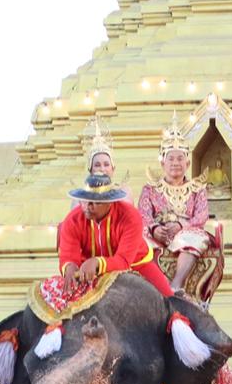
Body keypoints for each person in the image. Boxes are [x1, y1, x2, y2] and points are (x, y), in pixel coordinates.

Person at [56, 150, 174, 299]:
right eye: (86, 200)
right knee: (56, 306)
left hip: (135, 265)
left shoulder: (130, 216)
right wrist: (69, 267)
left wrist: (97, 262)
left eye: (95, 202)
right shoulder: (73, 219)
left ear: (109, 203)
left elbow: (124, 261)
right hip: (87, 271)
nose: (88, 206)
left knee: (170, 303)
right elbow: (68, 254)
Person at [138, 126, 215, 295]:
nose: (175, 163)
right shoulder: (150, 189)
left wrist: (181, 225)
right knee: (139, 243)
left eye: (180, 158)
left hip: (186, 234)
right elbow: (142, 215)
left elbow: (202, 215)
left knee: (194, 237)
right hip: (157, 236)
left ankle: (176, 285)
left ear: (187, 163)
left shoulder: (197, 188)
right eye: (171, 158)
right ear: (162, 162)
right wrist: (155, 229)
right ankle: (151, 291)